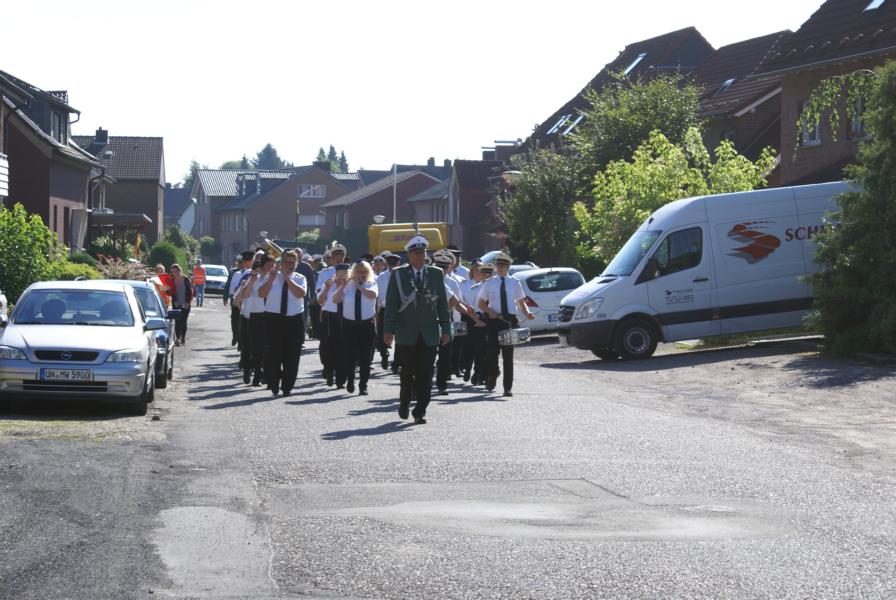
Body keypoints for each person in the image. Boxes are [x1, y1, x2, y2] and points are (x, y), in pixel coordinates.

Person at [383, 236, 451, 424]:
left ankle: (420, 410)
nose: (419, 256)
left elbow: (442, 304)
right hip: (406, 331)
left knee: (426, 373)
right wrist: (388, 330)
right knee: (407, 372)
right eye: (415, 253)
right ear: (409, 255)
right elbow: (391, 304)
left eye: (422, 252)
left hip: (429, 332)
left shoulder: (436, 273)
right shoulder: (399, 274)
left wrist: (446, 328)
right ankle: (405, 402)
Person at [477, 252, 535, 397]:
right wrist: (489, 311)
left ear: (508, 267)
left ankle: (507, 388)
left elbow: (521, 302)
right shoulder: (490, 282)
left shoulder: (514, 282)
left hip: (509, 321)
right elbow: (480, 302)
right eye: (498, 265)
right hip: (494, 321)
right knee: (492, 354)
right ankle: (492, 375)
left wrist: (527, 313)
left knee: (508, 356)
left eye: (503, 266)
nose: (500, 268)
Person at [257, 251, 307, 397]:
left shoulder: (300, 278)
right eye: (287, 262)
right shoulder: (271, 276)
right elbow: (261, 294)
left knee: (292, 354)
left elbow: (300, 294)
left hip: (294, 319)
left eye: (293, 263)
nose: (290, 265)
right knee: (273, 353)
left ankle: (287, 386)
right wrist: (271, 280)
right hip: (273, 318)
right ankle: (273, 382)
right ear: (282, 263)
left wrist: (287, 278)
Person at [334, 260, 378, 395]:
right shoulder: (348, 285)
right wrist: (342, 285)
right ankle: (351, 380)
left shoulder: (371, 283)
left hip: (367, 325)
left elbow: (373, 295)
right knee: (349, 356)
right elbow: (335, 299)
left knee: (365, 357)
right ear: (353, 273)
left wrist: (359, 286)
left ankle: (363, 385)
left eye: (364, 272)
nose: (361, 274)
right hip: (349, 325)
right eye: (359, 272)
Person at [236, 255, 275, 386]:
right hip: (255, 315)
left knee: (267, 348)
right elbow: (244, 295)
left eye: (273, 265)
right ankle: (254, 373)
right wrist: (251, 281)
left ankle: (264, 375)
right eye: (268, 265)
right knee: (253, 347)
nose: (271, 268)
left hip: (271, 315)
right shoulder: (255, 278)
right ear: (262, 266)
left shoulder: (276, 278)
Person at [316, 243, 347, 381]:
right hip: (329, 313)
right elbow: (319, 297)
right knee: (327, 344)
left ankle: (341, 375)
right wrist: (328, 287)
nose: (339, 258)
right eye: (336, 255)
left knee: (343, 344)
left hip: (345, 314)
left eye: (341, 255)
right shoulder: (324, 273)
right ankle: (328, 368)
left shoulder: (351, 272)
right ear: (331, 258)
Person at [459, 260, 488, 384]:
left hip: (481, 318)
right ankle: (467, 368)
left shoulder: (487, 285)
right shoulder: (464, 285)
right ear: (472, 271)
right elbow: (460, 300)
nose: (478, 272)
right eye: (476, 270)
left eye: (481, 270)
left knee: (480, 348)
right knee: (467, 346)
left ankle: (477, 372)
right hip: (467, 317)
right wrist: (466, 308)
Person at [375, 252, 401, 371]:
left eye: (394, 264)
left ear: (398, 264)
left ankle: (396, 362)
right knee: (383, 333)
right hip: (384, 309)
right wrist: (376, 312)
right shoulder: (381, 277)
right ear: (387, 265)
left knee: (399, 336)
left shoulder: (403, 276)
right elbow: (377, 296)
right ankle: (384, 354)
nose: (392, 267)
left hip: (399, 310)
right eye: (390, 265)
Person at [226, 252, 254, 346]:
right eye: (240, 262)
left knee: (242, 321)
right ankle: (236, 336)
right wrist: (228, 295)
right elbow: (229, 286)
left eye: (243, 262)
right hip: (236, 299)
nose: (241, 264)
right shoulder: (235, 272)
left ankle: (241, 340)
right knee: (235, 320)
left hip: (246, 301)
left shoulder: (251, 273)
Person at [169, 263, 194, 346]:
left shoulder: (186, 279)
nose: (175, 273)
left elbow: (190, 291)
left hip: (185, 303)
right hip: (176, 304)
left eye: (176, 271)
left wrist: (187, 302)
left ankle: (183, 338)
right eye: (173, 271)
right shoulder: (172, 280)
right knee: (177, 321)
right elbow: (171, 292)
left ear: (180, 271)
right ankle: (178, 339)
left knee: (183, 321)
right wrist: (175, 301)